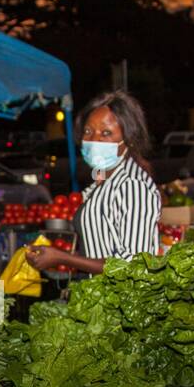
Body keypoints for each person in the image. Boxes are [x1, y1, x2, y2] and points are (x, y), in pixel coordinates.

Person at [24, 91, 160, 276]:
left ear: (130, 140)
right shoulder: (104, 181)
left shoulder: (132, 185)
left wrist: (63, 258)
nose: (94, 140)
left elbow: (133, 265)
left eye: (106, 133)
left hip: (124, 302)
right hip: (101, 296)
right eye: (88, 131)